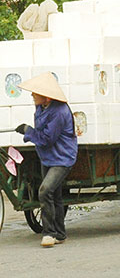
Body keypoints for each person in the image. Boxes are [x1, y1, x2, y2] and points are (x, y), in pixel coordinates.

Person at [14, 72, 78, 248]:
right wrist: (30, 131)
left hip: (62, 158)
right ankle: (60, 233)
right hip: (48, 157)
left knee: (44, 191)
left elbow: (47, 138)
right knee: (54, 196)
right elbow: (42, 133)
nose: (32, 95)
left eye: (35, 92)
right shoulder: (41, 108)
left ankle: (49, 233)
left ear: (47, 97)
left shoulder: (59, 112)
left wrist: (28, 131)